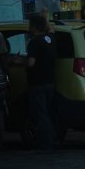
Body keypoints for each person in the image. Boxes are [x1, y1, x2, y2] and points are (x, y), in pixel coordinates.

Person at [26, 15, 58, 149]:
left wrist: (21, 63)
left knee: (40, 115)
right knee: (47, 113)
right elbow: (51, 30)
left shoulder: (34, 42)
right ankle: (53, 140)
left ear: (33, 26)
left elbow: (31, 63)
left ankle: (47, 144)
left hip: (37, 83)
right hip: (50, 82)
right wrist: (46, 17)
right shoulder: (50, 39)